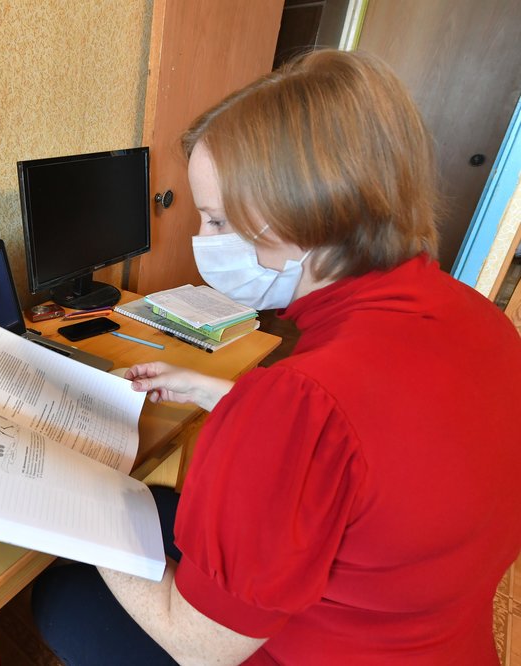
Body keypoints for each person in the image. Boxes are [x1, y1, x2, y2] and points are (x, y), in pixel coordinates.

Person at [31, 49, 521, 665]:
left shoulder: (300, 403)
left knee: (63, 596)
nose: (202, 239)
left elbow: (199, 647)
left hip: (293, 652)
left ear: (304, 214)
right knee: (158, 510)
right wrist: (227, 397)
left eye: (216, 220)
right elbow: (379, 445)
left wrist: (84, 501)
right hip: (442, 639)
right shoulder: (481, 321)